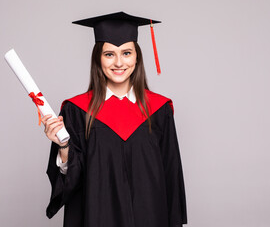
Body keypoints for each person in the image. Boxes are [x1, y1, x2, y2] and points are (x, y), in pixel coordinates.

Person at [42, 12, 187, 227]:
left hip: (150, 217)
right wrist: (63, 146)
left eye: (126, 53)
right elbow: (72, 182)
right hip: (98, 217)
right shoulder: (77, 110)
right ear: (98, 59)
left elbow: (171, 174)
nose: (119, 62)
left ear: (137, 57)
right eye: (109, 54)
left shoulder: (159, 109)